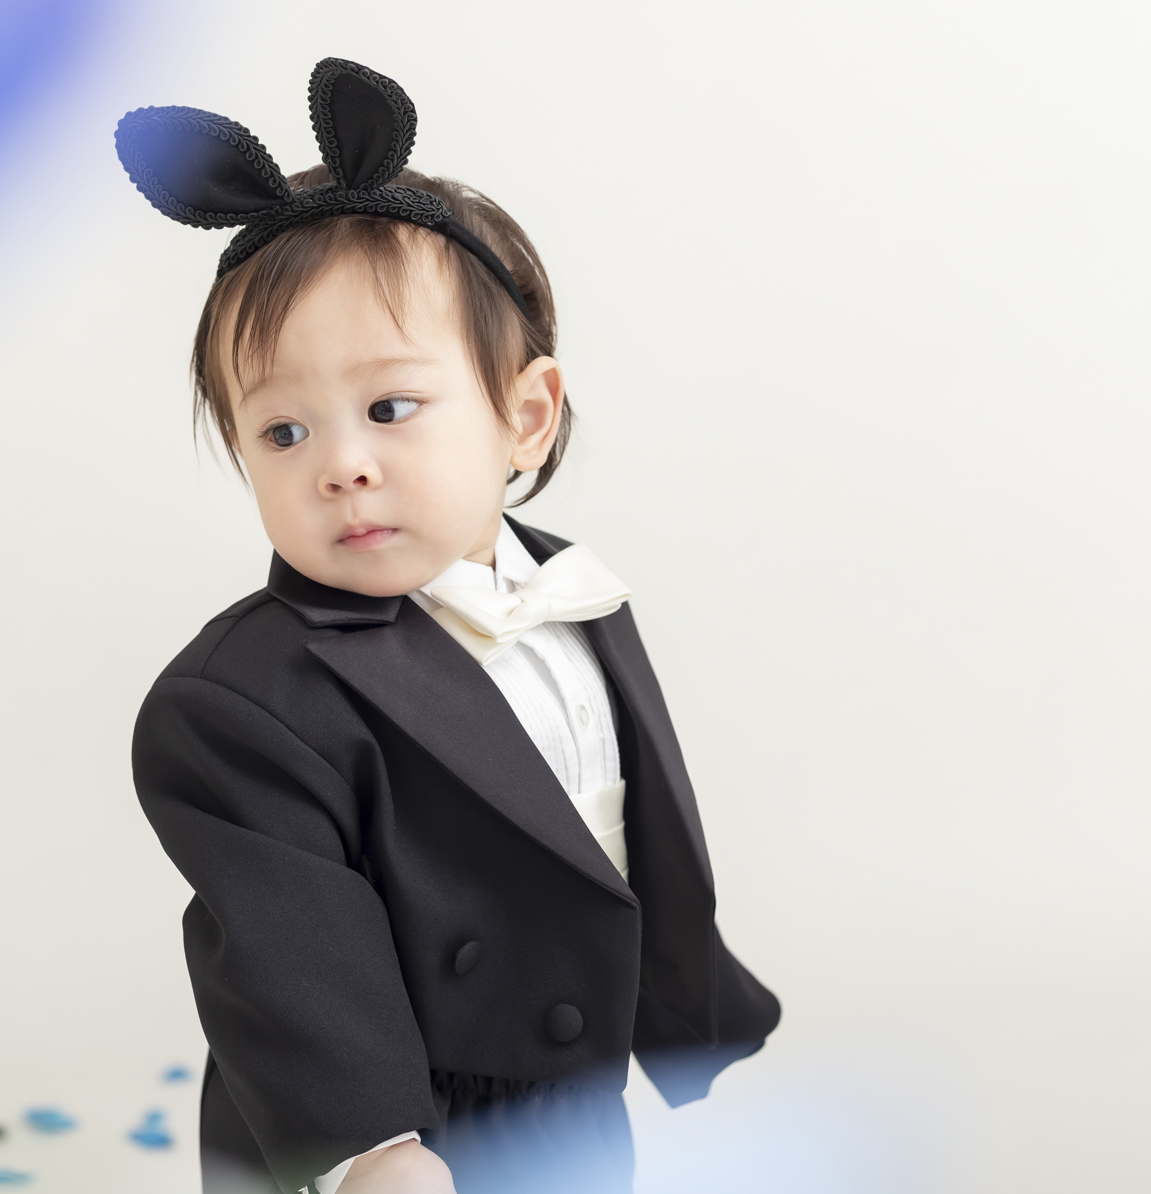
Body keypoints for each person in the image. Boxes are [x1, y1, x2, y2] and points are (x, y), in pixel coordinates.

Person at [120, 58, 780, 1194]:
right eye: (283, 432)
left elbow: (620, 846)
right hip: (397, 1112)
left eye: (389, 407)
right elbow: (288, 952)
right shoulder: (239, 702)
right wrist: (372, 1147)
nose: (342, 464)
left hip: (566, 1091)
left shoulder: (574, 592)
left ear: (524, 417)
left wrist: (685, 1015)